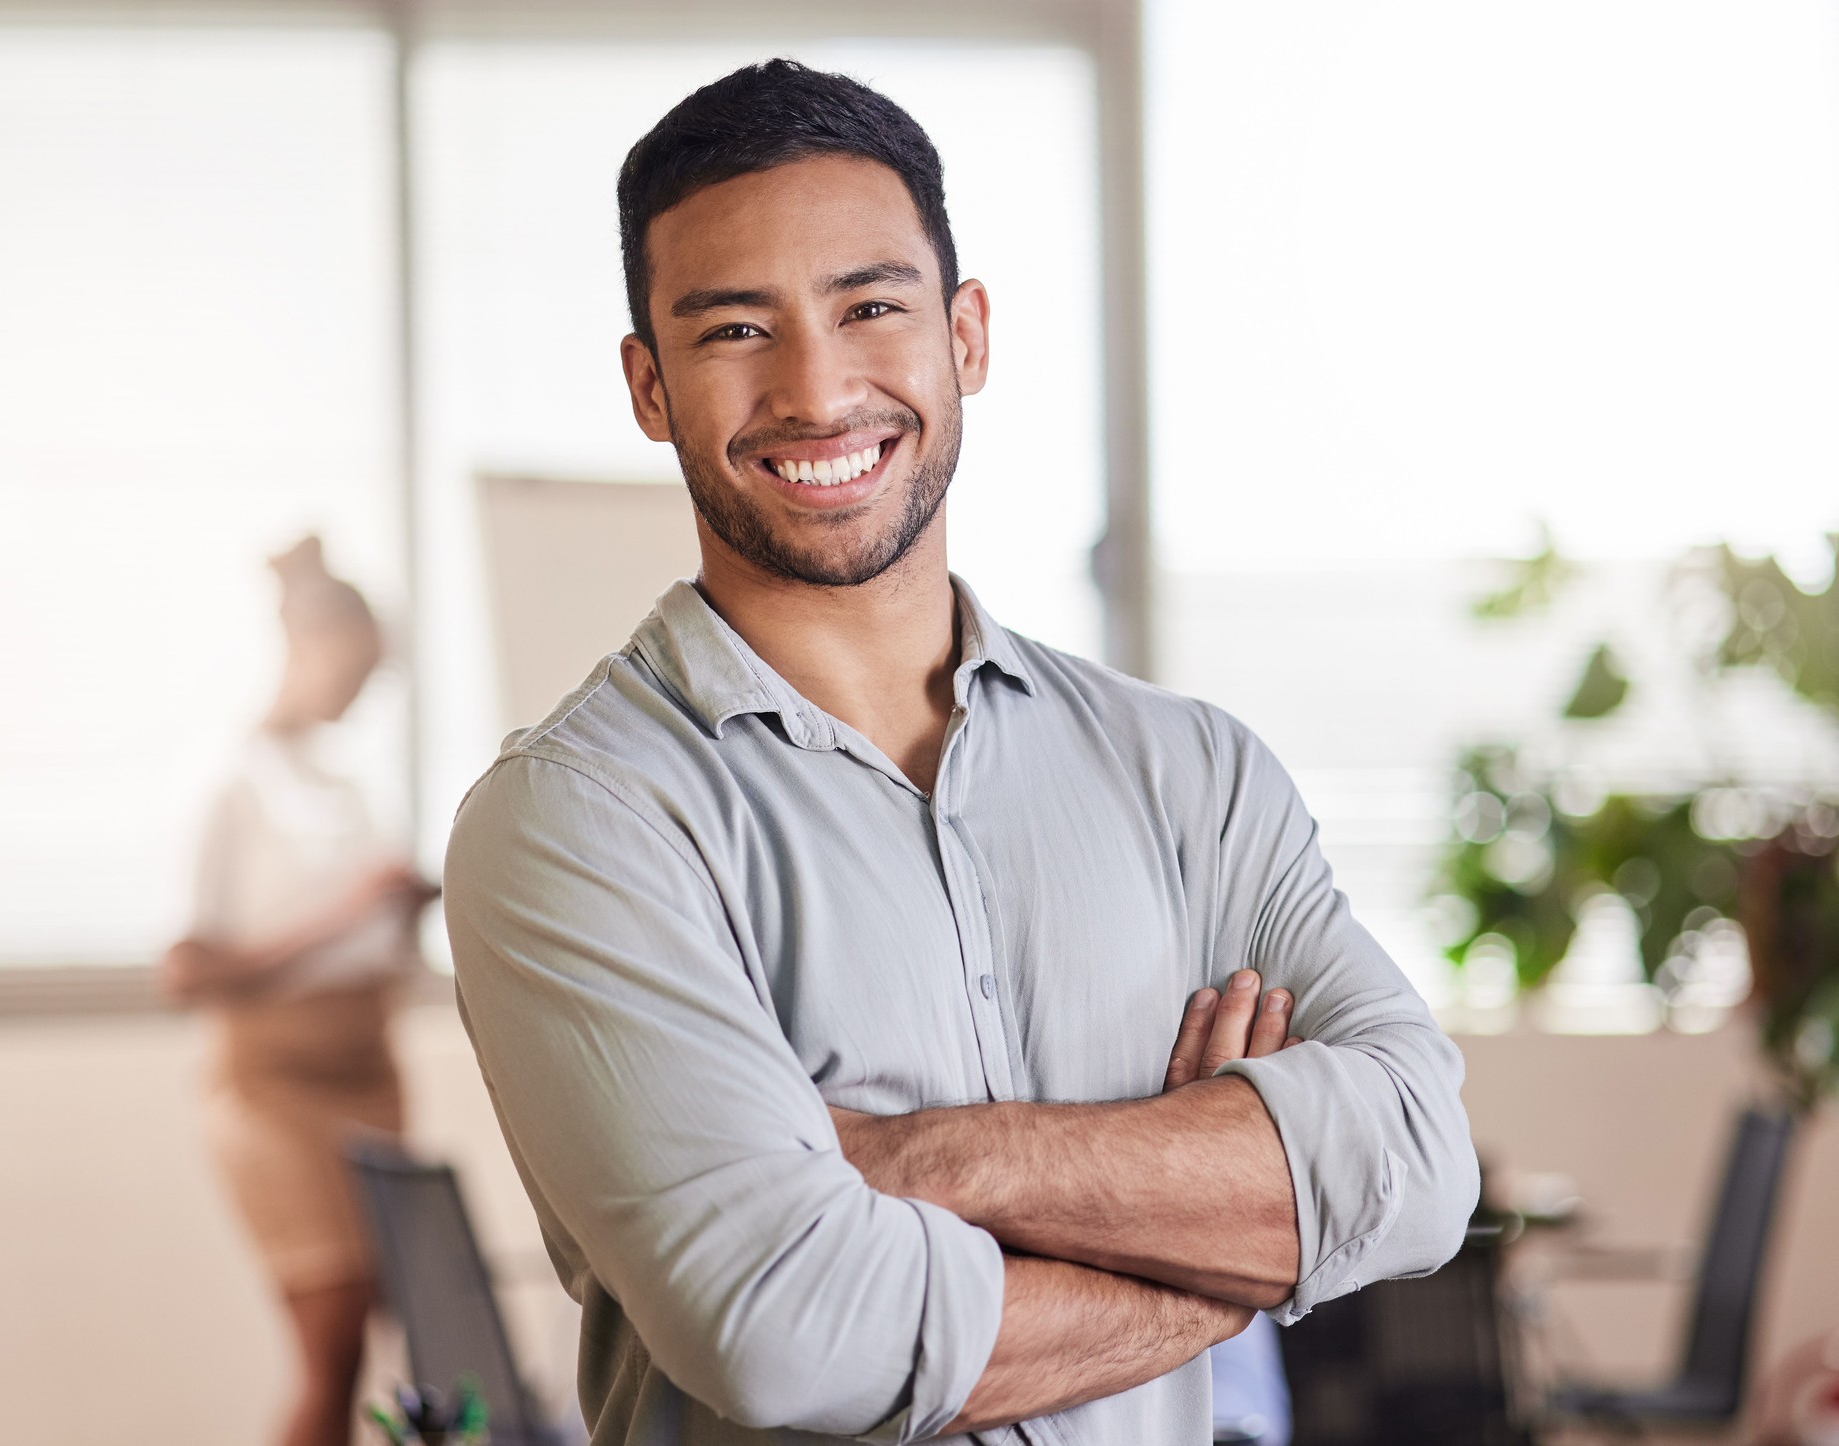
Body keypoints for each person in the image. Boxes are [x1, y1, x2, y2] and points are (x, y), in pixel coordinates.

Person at [445, 59, 1478, 1444]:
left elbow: (1415, 1164)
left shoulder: (1190, 774)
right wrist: (1219, 1246)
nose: (816, 390)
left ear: (967, 334)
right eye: (735, 329)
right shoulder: (575, 824)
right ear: (648, 385)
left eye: (871, 306)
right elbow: (791, 1329)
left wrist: (918, 1159)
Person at [165, 537, 435, 1446]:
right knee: (332, 1333)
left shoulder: (350, 778)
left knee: (413, 1334)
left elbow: (366, 933)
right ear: (305, 646)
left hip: (369, 1066)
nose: (360, 690)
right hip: (273, 1087)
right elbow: (187, 970)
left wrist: (403, 905)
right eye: (353, 668)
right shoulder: (232, 782)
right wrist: (343, 907)